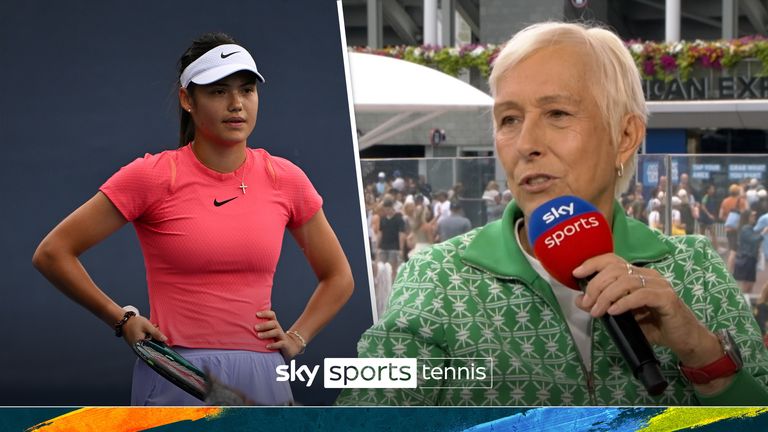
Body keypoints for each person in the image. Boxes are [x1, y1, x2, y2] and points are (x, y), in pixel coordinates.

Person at [336, 21, 768, 406]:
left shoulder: (695, 270)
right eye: (509, 119)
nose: (525, 143)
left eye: (557, 113)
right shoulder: (437, 275)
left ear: (624, 136)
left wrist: (704, 356)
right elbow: (359, 415)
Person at [32, 33, 354, 406]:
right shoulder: (153, 176)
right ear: (188, 99)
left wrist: (297, 337)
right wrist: (119, 319)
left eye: (246, 90)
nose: (237, 104)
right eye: (218, 92)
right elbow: (53, 252)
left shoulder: (285, 178)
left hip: (263, 375)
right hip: (176, 375)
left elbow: (339, 277)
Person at [734, 210, 763, 294]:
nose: (754, 217)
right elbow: (753, 240)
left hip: (750, 257)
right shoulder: (746, 228)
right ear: (747, 217)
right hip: (747, 258)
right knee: (747, 283)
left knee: (750, 283)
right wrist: (763, 232)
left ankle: (746, 301)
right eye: (752, 216)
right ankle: (744, 302)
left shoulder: (748, 228)